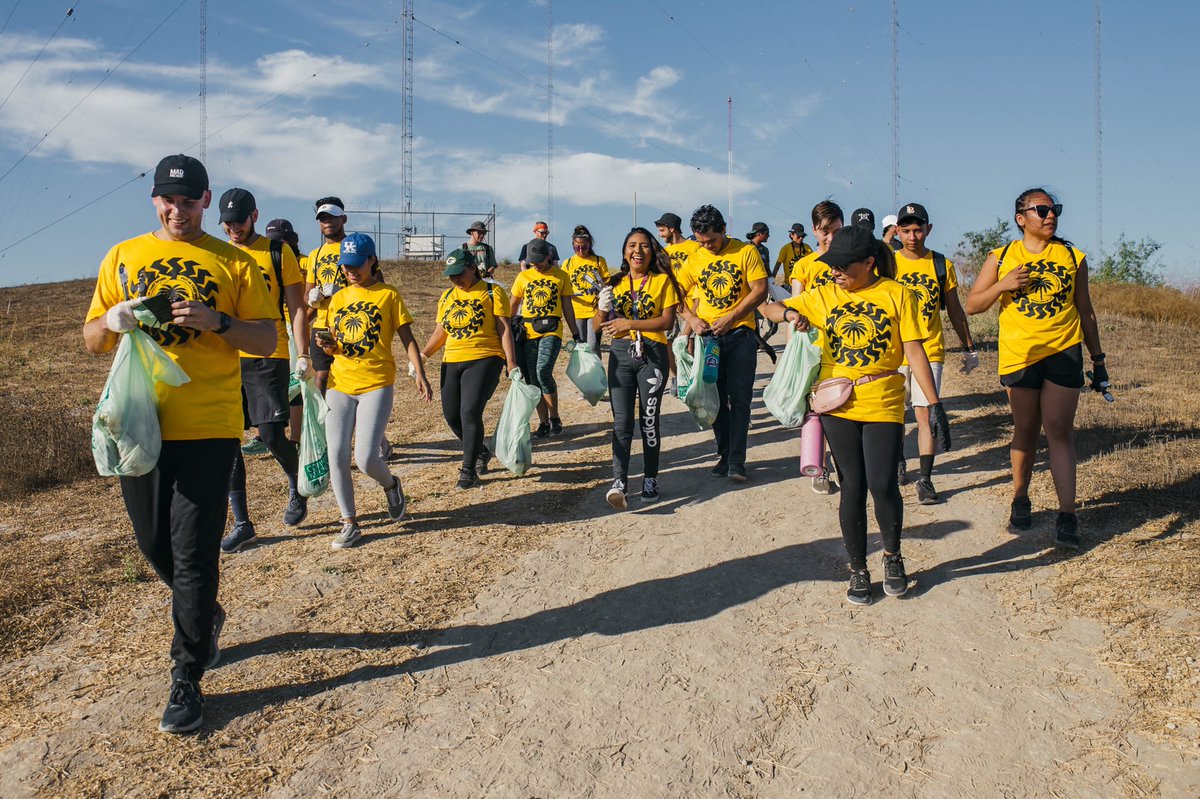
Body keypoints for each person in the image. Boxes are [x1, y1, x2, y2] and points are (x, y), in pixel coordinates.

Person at [83, 154, 277, 733]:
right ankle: (204, 614)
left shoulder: (235, 263)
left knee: (193, 552)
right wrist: (113, 320)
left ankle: (186, 676)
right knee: (152, 543)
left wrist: (218, 323)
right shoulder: (122, 257)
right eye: (169, 200)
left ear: (205, 200)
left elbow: (265, 338)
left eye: (189, 201)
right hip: (141, 423)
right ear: (154, 200)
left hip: (209, 425)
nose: (178, 211)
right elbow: (91, 339)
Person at [761, 225, 950, 605]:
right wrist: (786, 314)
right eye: (831, 265)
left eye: (843, 265)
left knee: (882, 484)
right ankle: (858, 568)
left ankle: (893, 558)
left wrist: (933, 403)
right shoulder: (824, 294)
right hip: (836, 404)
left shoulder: (896, 294)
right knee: (852, 486)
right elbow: (767, 306)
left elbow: (914, 350)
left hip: (882, 400)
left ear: (868, 262)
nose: (835, 271)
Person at [966, 188, 1107, 549]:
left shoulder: (1073, 256)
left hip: (1063, 351)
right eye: (1041, 209)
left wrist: (1098, 359)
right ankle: (1020, 496)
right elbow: (973, 305)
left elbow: (1085, 310)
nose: (1050, 215)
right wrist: (1003, 284)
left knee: (1059, 430)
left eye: (1054, 209)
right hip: (1020, 355)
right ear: (1020, 218)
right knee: (1026, 430)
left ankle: (1067, 515)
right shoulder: (1001, 256)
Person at [317, 232, 432, 549]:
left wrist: (418, 371)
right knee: (336, 456)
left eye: (356, 265)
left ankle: (391, 483)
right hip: (340, 382)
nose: (350, 271)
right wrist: (327, 346)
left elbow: (407, 338)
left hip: (376, 382)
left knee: (367, 458)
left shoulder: (388, 295)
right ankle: (349, 523)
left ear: (372, 261)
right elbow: (337, 343)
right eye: (346, 265)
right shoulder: (337, 299)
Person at [216, 190, 311, 554]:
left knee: (271, 434)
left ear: (254, 215)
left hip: (267, 352)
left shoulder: (277, 252)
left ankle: (296, 482)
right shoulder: (217, 251)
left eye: (238, 221)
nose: (233, 228)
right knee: (227, 442)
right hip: (224, 355)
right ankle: (242, 523)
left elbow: (297, 308)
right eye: (226, 223)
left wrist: (302, 353)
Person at [675, 205, 768, 483]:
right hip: (710, 341)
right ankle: (724, 453)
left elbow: (760, 290)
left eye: (712, 240)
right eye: (701, 242)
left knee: (740, 398)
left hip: (741, 335)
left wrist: (732, 316)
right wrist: (692, 319)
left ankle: (738, 461)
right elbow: (675, 295)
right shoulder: (694, 259)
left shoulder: (745, 252)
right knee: (715, 399)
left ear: (724, 229)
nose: (708, 247)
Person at [892, 202, 978, 504]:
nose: (913, 236)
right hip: (893, 352)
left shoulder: (941, 264)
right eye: (906, 230)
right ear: (898, 232)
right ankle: (898, 460)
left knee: (925, 413)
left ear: (928, 229)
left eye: (918, 229)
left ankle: (925, 479)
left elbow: (954, 308)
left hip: (929, 349)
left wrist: (968, 346)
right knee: (893, 415)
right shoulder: (887, 264)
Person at [594, 228, 681, 509]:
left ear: (652, 251)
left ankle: (650, 478)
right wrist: (601, 308)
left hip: (652, 355)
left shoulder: (662, 281)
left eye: (644, 245)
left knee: (648, 421)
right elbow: (596, 328)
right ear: (624, 251)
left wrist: (629, 324)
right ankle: (619, 481)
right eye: (632, 245)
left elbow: (666, 322)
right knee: (621, 423)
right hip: (620, 356)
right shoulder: (614, 283)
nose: (638, 251)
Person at [421, 247, 519, 488]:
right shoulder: (447, 297)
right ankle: (480, 450)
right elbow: (441, 330)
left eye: (459, 273)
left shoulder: (492, 291)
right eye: (451, 275)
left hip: (486, 357)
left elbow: (503, 328)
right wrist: (423, 355)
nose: (455, 279)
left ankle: (468, 470)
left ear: (473, 268)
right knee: (452, 415)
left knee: (469, 411)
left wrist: (511, 363)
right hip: (452, 360)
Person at [789, 200, 845, 494]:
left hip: (845, 346)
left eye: (835, 230)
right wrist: (792, 353)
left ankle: (842, 462)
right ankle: (818, 466)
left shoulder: (850, 259)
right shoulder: (804, 266)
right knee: (816, 409)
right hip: (812, 348)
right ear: (814, 230)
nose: (830, 237)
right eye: (825, 231)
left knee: (841, 406)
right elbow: (792, 310)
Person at [509, 238, 580, 437]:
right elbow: (513, 305)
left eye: (539, 260)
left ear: (549, 256)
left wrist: (575, 332)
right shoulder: (523, 277)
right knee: (532, 378)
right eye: (533, 261)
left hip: (552, 330)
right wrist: (505, 328)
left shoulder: (561, 276)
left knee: (542, 371)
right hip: (528, 332)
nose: (536, 265)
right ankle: (543, 422)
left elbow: (567, 306)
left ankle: (554, 415)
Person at [264, 218, 305, 447]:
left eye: (280, 241)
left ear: (291, 241)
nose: (276, 246)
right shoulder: (269, 261)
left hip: (302, 327)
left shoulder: (305, 262)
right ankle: (265, 434)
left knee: (296, 384)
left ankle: (296, 438)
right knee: (276, 383)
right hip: (276, 328)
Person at [303, 196, 349, 395]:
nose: (327, 223)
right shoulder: (315, 254)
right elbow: (307, 293)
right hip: (321, 325)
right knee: (320, 377)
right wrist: (312, 297)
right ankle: (323, 423)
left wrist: (342, 290)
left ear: (343, 219)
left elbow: (376, 280)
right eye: (323, 219)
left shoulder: (352, 246)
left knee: (345, 377)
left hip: (348, 322)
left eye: (332, 217)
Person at [655, 211, 701, 393]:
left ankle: (690, 376)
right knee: (669, 342)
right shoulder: (664, 251)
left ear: (672, 228)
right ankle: (676, 376)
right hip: (669, 302)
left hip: (690, 302)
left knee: (688, 341)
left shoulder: (694, 247)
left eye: (662, 230)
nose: (660, 234)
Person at [561, 224, 609, 356]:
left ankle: (597, 374)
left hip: (594, 309)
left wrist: (600, 290)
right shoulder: (568, 263)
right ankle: (584, 375)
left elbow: (607, 282)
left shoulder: (599, 261)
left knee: (593, 346)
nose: (581, 250)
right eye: (577, 248)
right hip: (576, 310)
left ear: (590, 244)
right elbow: (563, 286)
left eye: (584, 247)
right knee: (581, 347)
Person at [773, 223, 812, 294]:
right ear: (792, 235)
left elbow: (814, 263)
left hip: (806, 285)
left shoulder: (807, 248)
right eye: (798, 236)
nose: (801, 238)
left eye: (803, 236)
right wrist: (771, 281)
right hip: (790, 285)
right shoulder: (786, 248)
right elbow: (778, 265)